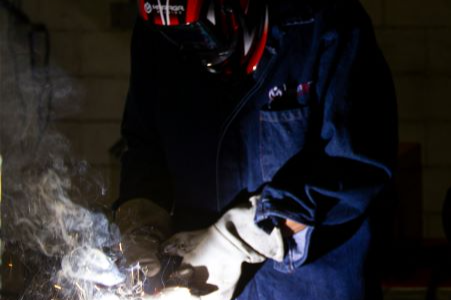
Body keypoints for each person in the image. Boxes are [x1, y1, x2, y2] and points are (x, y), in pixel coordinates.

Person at [113, 0, 398, 299]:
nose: (190, 50)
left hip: (310, 287)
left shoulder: (326, 26)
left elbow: (357, 165)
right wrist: (140, 227)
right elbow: (144, 148)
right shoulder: (158, 34)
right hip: (199, 284)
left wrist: (243, 237)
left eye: (200, 34)